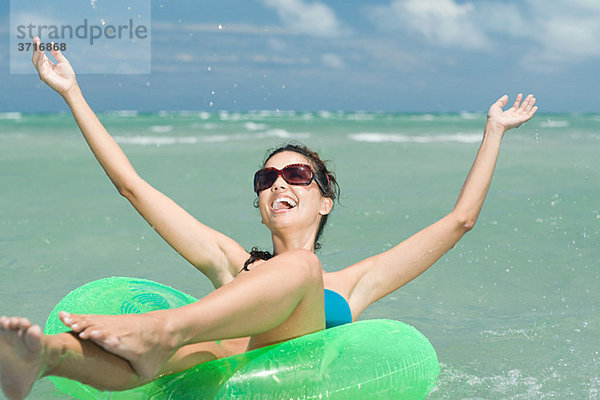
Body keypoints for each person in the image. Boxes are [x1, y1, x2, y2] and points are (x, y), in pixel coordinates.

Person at [0, 36, 537, 400]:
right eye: (266, 179)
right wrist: (72, 92)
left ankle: (161, 332)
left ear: (325, 200)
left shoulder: (350, 284)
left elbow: (459, 220)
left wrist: (493, 130)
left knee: (301, 270)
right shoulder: (232, 262)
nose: (279, 182)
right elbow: (133, 187)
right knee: (197, 352)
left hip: (287, 382)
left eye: (298, 175)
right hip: (208, 371)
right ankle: (43, 357)